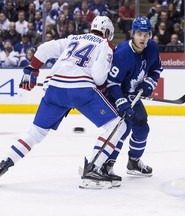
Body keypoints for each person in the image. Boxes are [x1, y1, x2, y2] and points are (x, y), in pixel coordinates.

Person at [0, 16, 126, 190]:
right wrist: (104, 87)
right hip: (80, 90)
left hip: (54, 89)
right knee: (118, 126)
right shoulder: (105, 45)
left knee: (34, 133)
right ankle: (93, 168)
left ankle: (5, 163)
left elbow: (44, 48)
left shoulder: (73, 38)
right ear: (107, 32)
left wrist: (32, 69)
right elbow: (98, 77)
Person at [104, 17, 163, 185]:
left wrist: (150, 82)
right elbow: (112, 83)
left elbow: (157, 69)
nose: (143, 38)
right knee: (122, 128)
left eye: (146, 34)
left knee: (142, 127)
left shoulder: (151, 47)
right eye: (139, 34)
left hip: (133, 95)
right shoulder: (122, 53)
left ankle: (134, 162)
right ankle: (107, 164)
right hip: (115, 95)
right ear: (132, 34)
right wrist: (121, 101)